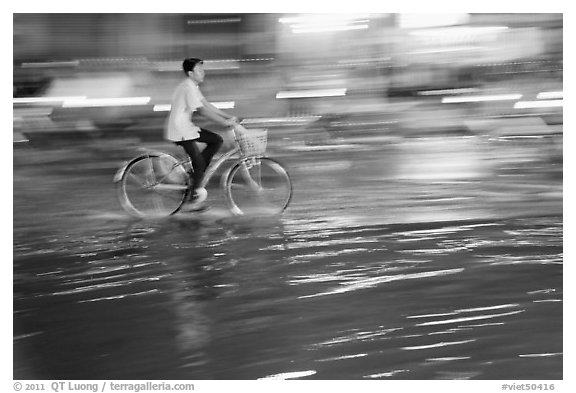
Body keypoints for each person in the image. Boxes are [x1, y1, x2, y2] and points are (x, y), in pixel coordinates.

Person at [165, 57, 238, 209]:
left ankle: (194, 176)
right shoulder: (187, 87)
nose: (203, 73)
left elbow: (207, 105)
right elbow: (202, 111)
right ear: (191, 73)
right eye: (199, 70)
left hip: (186, 127)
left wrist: (227, 117)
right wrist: (223, 123)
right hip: (180, 129)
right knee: (198, 162)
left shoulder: (193, 86)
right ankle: (192, 199)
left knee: (216, 140)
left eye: (203, 69)